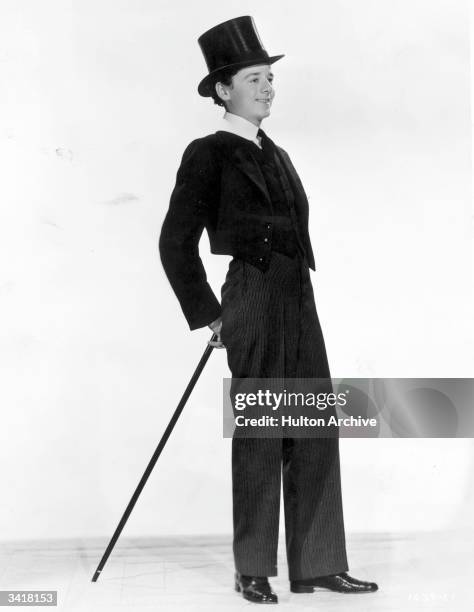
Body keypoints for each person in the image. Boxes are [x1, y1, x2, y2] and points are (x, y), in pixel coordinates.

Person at [159, 15, 378, 604]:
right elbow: (174, 242)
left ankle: (319, 564)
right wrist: (210, 314)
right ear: (223, 90)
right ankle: (251, 568)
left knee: (312, 423)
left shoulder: (275, 151)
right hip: (251, 293)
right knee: (260, 428)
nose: (267, 88)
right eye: (253, 79)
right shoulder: (207, 153)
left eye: (269, 79)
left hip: (298, 295)